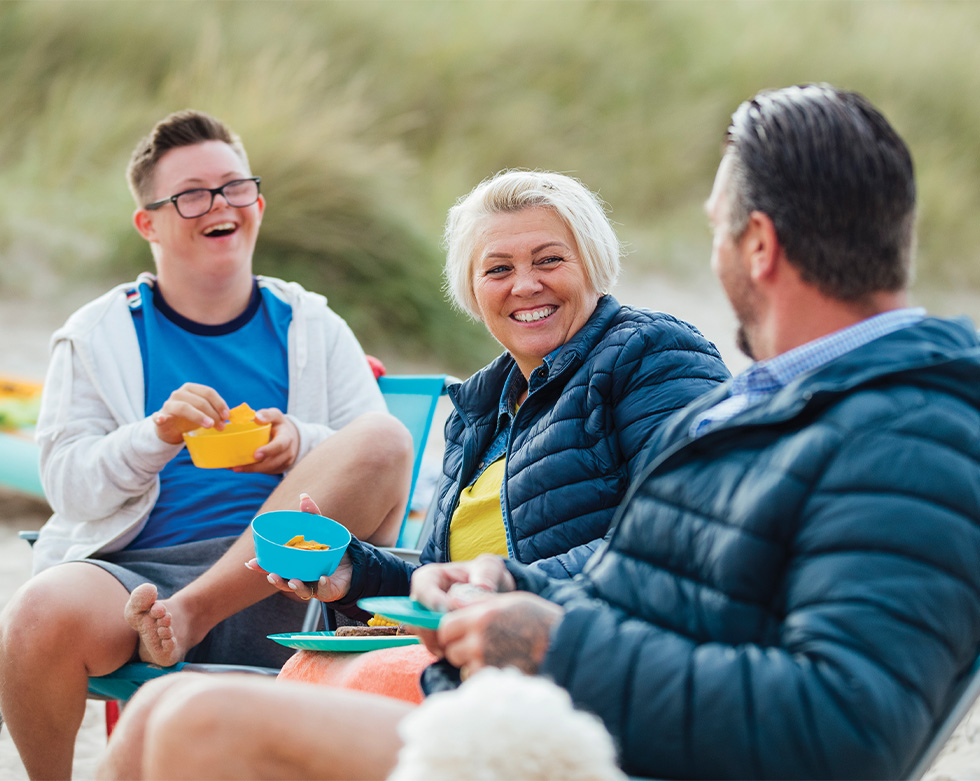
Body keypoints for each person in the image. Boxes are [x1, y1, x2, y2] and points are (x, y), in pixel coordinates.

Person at [99, 84, 980, 781]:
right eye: (499, 267)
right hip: (576, 722)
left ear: (758, 247)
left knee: (197, 723)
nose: (526, 284)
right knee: (151, 720)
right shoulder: (779, 403)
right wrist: (467, 584)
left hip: (605, 750)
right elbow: (637, 576)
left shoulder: (910, 426)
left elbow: (850, 729)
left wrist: (553, 645)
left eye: (715, 229)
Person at [0, 109, 415, 780]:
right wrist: (155, 435)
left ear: (258, 202)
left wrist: (299, 442)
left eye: (234, 187)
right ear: (149, 223)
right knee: (33, 615)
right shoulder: (99, 332)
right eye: (191, 194)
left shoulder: (312, 323)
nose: (219, 205)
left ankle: (192, 614)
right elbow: (66, 486)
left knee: (383, 433)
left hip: (286, 576)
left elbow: (382, 464)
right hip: (136, 581)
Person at [253, 168, 729, 621]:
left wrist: (503, 589)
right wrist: (355, 574)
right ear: (473, 291)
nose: (525, 285)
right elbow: (442, 588)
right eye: (498, 269)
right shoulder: (475, 413)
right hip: (475, 657)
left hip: (590, 658)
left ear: (592, 265)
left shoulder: (653, 353)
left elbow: (687, 531)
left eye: (549, 260)